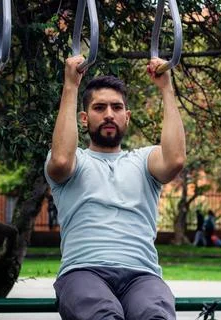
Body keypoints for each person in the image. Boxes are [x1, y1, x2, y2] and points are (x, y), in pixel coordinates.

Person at [44, 55, 185, 320]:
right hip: (85, 272)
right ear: (84, 119)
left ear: (127, 116)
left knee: (155, 315)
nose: (109, 114)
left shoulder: (144, 161)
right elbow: (61, 160)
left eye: (117, 107)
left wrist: (166, 88)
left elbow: (175, 159)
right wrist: (71, 86)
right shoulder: (76, 161)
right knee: (103, 315)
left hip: (141, 276)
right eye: (100, 108)